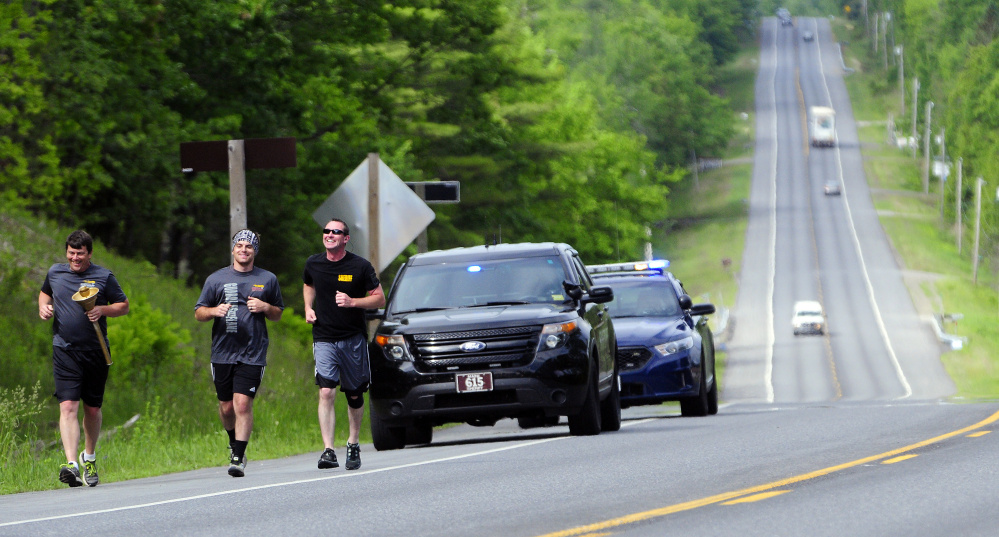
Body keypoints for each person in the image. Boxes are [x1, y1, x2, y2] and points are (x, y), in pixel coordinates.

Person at [38, 230, 130, 487]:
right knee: (68, 406)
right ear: (66, 251)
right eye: (71, 252)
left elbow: (123, 305)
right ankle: (71, 464)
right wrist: (43, 307)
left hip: (96, 351)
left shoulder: (103, 276)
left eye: (80, 253)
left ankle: (88, 456)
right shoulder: (56, 272)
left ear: (89, 253)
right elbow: (45, 293)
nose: (75, 258)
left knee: (92, 408)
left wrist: (102, 309)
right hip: (64, 349)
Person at [195, 229, 284, 477]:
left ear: (255, 251)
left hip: (253, 352)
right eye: (240, 246)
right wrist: (214, 311)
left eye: (249, 247)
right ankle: (234, 442)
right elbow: (199, 312)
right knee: (226, 407)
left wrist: (266, 306)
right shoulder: (216, 279)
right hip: (222, 352)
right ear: (233, 249)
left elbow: (278, 313)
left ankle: (237, 455)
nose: (244, 250)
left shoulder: (267, 279)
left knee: (242, 404)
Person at [303, 219, 385, 471]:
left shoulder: (359, 266)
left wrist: (352, 303)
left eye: (335, 232)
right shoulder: (313, 263)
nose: (329, 235)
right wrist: (307, 307)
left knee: (354, 394)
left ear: (346, 238)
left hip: (352, 338)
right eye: (326, 231)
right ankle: (328, 450)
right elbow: (309, 284)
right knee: (326, 391)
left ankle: (353, 442)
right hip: (324, 336)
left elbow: (379, 299)